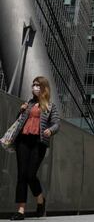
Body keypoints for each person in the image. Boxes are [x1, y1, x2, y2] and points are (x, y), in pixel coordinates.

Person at [9, 76, 60, 221]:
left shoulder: (50, 106)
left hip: (39, 142)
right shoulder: (29, 103)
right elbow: (19, 122)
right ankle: (20, 210)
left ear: (43, 88)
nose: (34, 87)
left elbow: (57, 123)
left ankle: (40, 199)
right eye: (33, 85)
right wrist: (21, 110)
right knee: (22, 175)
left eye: (37, 85)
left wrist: (50, 130)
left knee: (31, 174)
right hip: (23, 141)